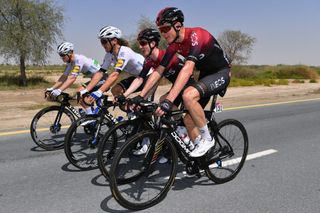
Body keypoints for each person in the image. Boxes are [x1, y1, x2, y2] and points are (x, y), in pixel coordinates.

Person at [154, 7, 231, 157]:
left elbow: (188, 68)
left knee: (188, 96)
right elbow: (159, 71)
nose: (163, 33)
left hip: (221, 72)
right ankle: (200, 154)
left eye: (165, 28)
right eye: (160, 30)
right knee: (188, 119)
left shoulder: (196, 35)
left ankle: (208, 140)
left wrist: (169, 101)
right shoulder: (174, 45)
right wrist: (142, 95)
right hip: (206, 76)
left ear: (177, 25)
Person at [131, 28, 196, 158]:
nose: (140, 46)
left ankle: (184, 132)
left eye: (142, 43)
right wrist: (136, 96)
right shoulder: (149, 61)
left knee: (163, 101)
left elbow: (156, 77)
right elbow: (141, 79)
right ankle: (171, 147)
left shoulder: (165, 56)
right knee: (164, 116)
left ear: (153, 44)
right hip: (176, 87)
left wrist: (143, 96)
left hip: (188, 85)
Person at [86, 26, 152, 105]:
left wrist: (100, 91)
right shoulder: (109, 55)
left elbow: (115, 74)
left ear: (114, 41)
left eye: (104, 41)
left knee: (143, 105)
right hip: (137, 77)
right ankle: (130, 110)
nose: (102, 45)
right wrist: (86, 90)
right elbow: (100, 73)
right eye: (101, 42)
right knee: (116, 90)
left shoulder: (124, 52)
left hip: (149, 76)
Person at [45, 42, 106, 115]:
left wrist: (59, 90)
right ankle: (91, 114)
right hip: (95, 79)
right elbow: (64, 77)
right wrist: (52, 88)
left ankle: (91, 116)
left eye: (63, 55)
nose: (62, 57)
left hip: (102, 78)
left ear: (70, 53)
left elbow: (72, 78)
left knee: (80, 92)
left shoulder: (79, 60)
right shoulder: (70, 62)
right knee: (80, 95)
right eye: (60, 55)